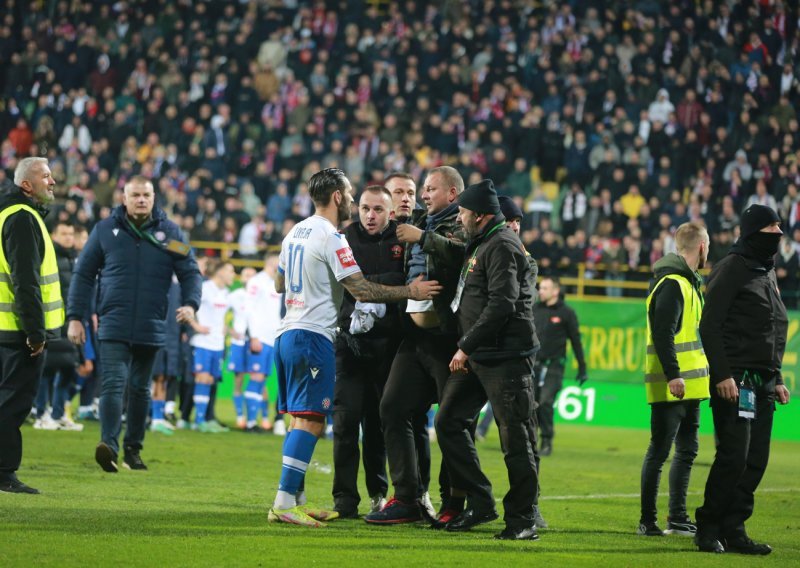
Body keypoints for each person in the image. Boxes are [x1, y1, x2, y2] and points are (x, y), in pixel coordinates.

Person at [267, 167, 441, 528]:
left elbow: (279, 283)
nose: (349, 201)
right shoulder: (332, 236)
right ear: (336, 197)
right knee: (313, 421)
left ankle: (296, 498)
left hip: (286, 331)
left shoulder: (294, 232)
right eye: (348, 196)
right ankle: (284, 502)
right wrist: (411, 291)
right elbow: (361, 291)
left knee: (301, 417)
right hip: (313, 335)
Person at [67, 175, 202, 473]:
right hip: (114, 322)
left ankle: (133, 449)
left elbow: (191, 271)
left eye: (146, 195)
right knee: (114, 384)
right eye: (135, 195)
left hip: (153, 324)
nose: (141, 200)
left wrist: (191, 304)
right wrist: (75, 317)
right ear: (124, 198)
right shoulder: (104, 231)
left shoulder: (171, 233)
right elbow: (83, 275)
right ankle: (109, 447)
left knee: (141, 388)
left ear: (154, 198)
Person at [435, 179, 541, 541]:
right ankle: (481, 502)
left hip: (505, 357)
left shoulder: (503, 244)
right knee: (448, 421)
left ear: (479, 216)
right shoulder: (482, 241)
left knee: (515, 439)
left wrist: (465, 346)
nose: (460, 217)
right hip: (481, 353)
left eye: (463, 212)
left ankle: (523, 519)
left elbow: (502, 303)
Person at [365, 166, 466, 526]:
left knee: (452, 422)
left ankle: (455, 501)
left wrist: (422, 237)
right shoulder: (422, 220)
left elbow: (462, 252)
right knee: (391, 407)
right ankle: (407, 497)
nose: (422, 195)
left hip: (448, 340)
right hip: (415, 337)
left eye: (429, 188)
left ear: (452, 194)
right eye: (420, 189)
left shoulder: (461, 221)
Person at [694, 205, 791, 555]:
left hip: (764, 380)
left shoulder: (766, 270)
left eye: (780, 225)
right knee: (734, 455)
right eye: (771, 226)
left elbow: (774, 326)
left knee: (756, 460)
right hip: (737, 379)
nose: (778, 232)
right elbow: (709, 325)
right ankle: (708, 526)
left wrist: (777, 376)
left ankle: (734, 528)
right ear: (752, 231)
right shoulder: (732, 268)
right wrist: (722, 374)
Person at [332, 185, 405, 518]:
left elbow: (401, 277)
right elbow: (345, 284)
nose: (370, 216)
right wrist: (389, 284)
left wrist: (367, 284)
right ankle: (344, 500)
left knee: (378, 425)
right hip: (350, 346)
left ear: (390, 212)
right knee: (346, 424)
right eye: (365, 208)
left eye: (377, 210)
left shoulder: (402, 240)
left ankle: (378, 493)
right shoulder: (343, 239)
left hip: (388, 347)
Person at [639, 222, 711, 538]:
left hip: (691, 385)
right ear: (702, 247)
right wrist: (673, 375)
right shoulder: (672, 284)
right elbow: (663, 333)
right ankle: (647, 521)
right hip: (675, 385)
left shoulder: (688, 283)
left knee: (685, 451)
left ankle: (678, 517)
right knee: (659, 451)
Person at [0, 157, 64, 494]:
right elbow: (25, 281)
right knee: (12, 405)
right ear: (26, 184)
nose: (52, 181)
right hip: (16, 332)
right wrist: (36, 333)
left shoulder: (6, 213)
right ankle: (4, 473)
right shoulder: (23, 218)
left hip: (5, 328)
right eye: (46, 176)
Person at [33, 221, 83, 431]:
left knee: (68, 369)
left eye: (71, 233)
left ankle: (58, 413)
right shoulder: (48, 256)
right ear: (54, 236)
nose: (68, 237)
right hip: (52, 321)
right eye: (64, 233)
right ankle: (41, 414)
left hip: (69, 322)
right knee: (47, 371)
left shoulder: (73, 259)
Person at [532, 275, 588, 456]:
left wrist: (582, 368)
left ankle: (547, 441)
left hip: (554, 366)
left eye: (545, 288)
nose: (540, 291)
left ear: (555, 291)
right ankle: (530, 442)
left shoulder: (566, 313)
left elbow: (576, 341)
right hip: (534, 365)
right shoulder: (534, 309)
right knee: (530, 405)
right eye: (540, 288)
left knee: (546, 402)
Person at [188, 259, 235, 433]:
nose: (233, 274)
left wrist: (226, 327)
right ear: (220, 271)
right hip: (202, 342)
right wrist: (195, 326)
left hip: (218, 344)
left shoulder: (226, 293)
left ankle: (203, 419)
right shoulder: (205, 288)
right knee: (202, 377)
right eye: (230, 270)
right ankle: (198, 420)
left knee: (210, 380)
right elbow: (189, 306)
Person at [243, 255, 282, 432]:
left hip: (273, 338)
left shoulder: (276, 282)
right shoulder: (256, 281)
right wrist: (254, 336)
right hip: (260, 338)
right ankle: (251, 422)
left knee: (262, 379)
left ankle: (258, 420)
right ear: (271, 260)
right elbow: (249, 309)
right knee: (256, 378)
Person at [228, 266, 256, 430]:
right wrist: (231, 330)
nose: (249, 278)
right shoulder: (235, 296)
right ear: (242, 278)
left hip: (255, 341)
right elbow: (221, 315)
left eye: (253, 275)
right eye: (246, 275)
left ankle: (261, 418)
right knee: (238, 379)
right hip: (239, 342)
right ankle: (240, 416)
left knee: (257, 378)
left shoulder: (260, 296)